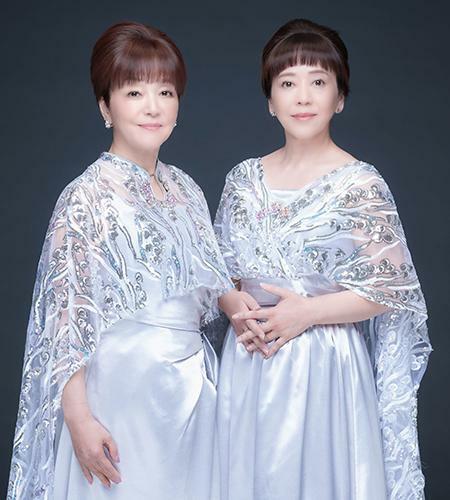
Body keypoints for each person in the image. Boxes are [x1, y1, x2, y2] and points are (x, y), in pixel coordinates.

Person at [8, 21, 231, 500]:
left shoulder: (188, 190)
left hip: (191, 394)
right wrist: (79, 418)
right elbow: (64, 321)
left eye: (165, 92)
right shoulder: (85, 197)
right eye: (134, 92)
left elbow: (211, 293)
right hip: (120, 396)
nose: (153, 107)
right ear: (105, 107)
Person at [215, 18, 431, 500]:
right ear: (270, 101)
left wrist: (307, 313)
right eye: (287, 83)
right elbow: (219, 273)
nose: (303, 97)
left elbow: (390, 290)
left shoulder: (360, 184)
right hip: (250, 361)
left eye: (318, 82)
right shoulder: (243, 181)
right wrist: (233, 305)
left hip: (324, 366)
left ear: (340, 97)